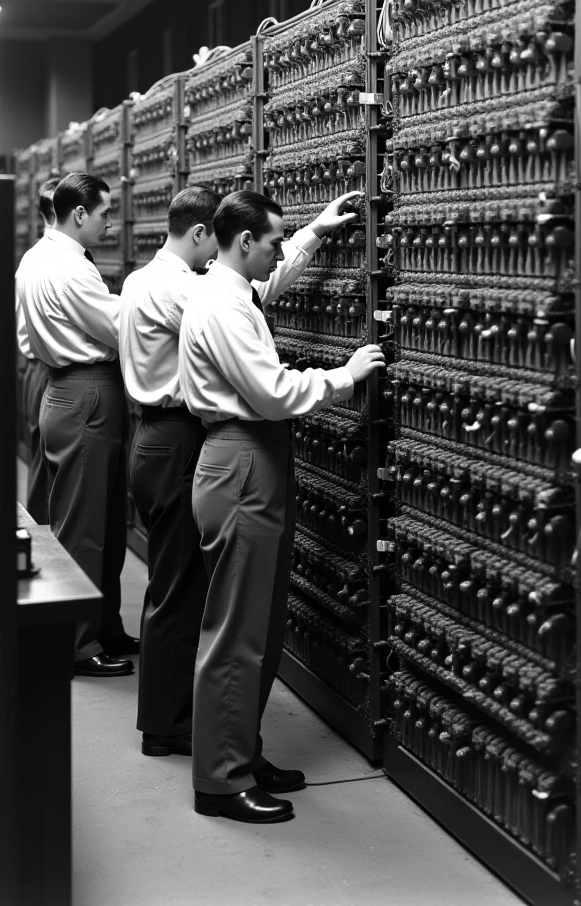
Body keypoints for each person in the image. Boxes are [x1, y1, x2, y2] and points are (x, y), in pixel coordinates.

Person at [178, 189, 385, 824]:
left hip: (252, 461)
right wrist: (345, 376)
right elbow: (270, 392)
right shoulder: (223, 308)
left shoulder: (231, 290)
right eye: (271, 242)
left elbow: (266, 285)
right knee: (236, 634)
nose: (276, 252)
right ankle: (220, 779)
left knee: (261, 629)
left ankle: (242, 751)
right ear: (244, 243)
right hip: (242, 461)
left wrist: (315, 235)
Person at [15, 171, 137, 677]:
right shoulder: (72, 271)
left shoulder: (34, 259)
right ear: (80, 214)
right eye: (106, 213)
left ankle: (104, 626)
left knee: (97, 519)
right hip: (87, 389)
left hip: (63, 385)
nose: (112, 223)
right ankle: (80, 644)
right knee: (84, 528)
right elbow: (120, 327)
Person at [120, 186, 221, 756]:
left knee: (169, 581)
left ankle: (166, 716)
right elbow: (238, 301)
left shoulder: (138, 279)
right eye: (216, 240)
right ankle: (166, 725)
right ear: (201, 233)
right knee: (179, 588)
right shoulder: (183, 286)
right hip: (178, 439)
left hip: (149, 437)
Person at [17, 178, 59, 524]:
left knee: (42, 463)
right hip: (46, 371)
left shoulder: (33, 258)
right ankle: (44, 544)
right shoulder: (47, 260)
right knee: (46, 469)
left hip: (37, 370)